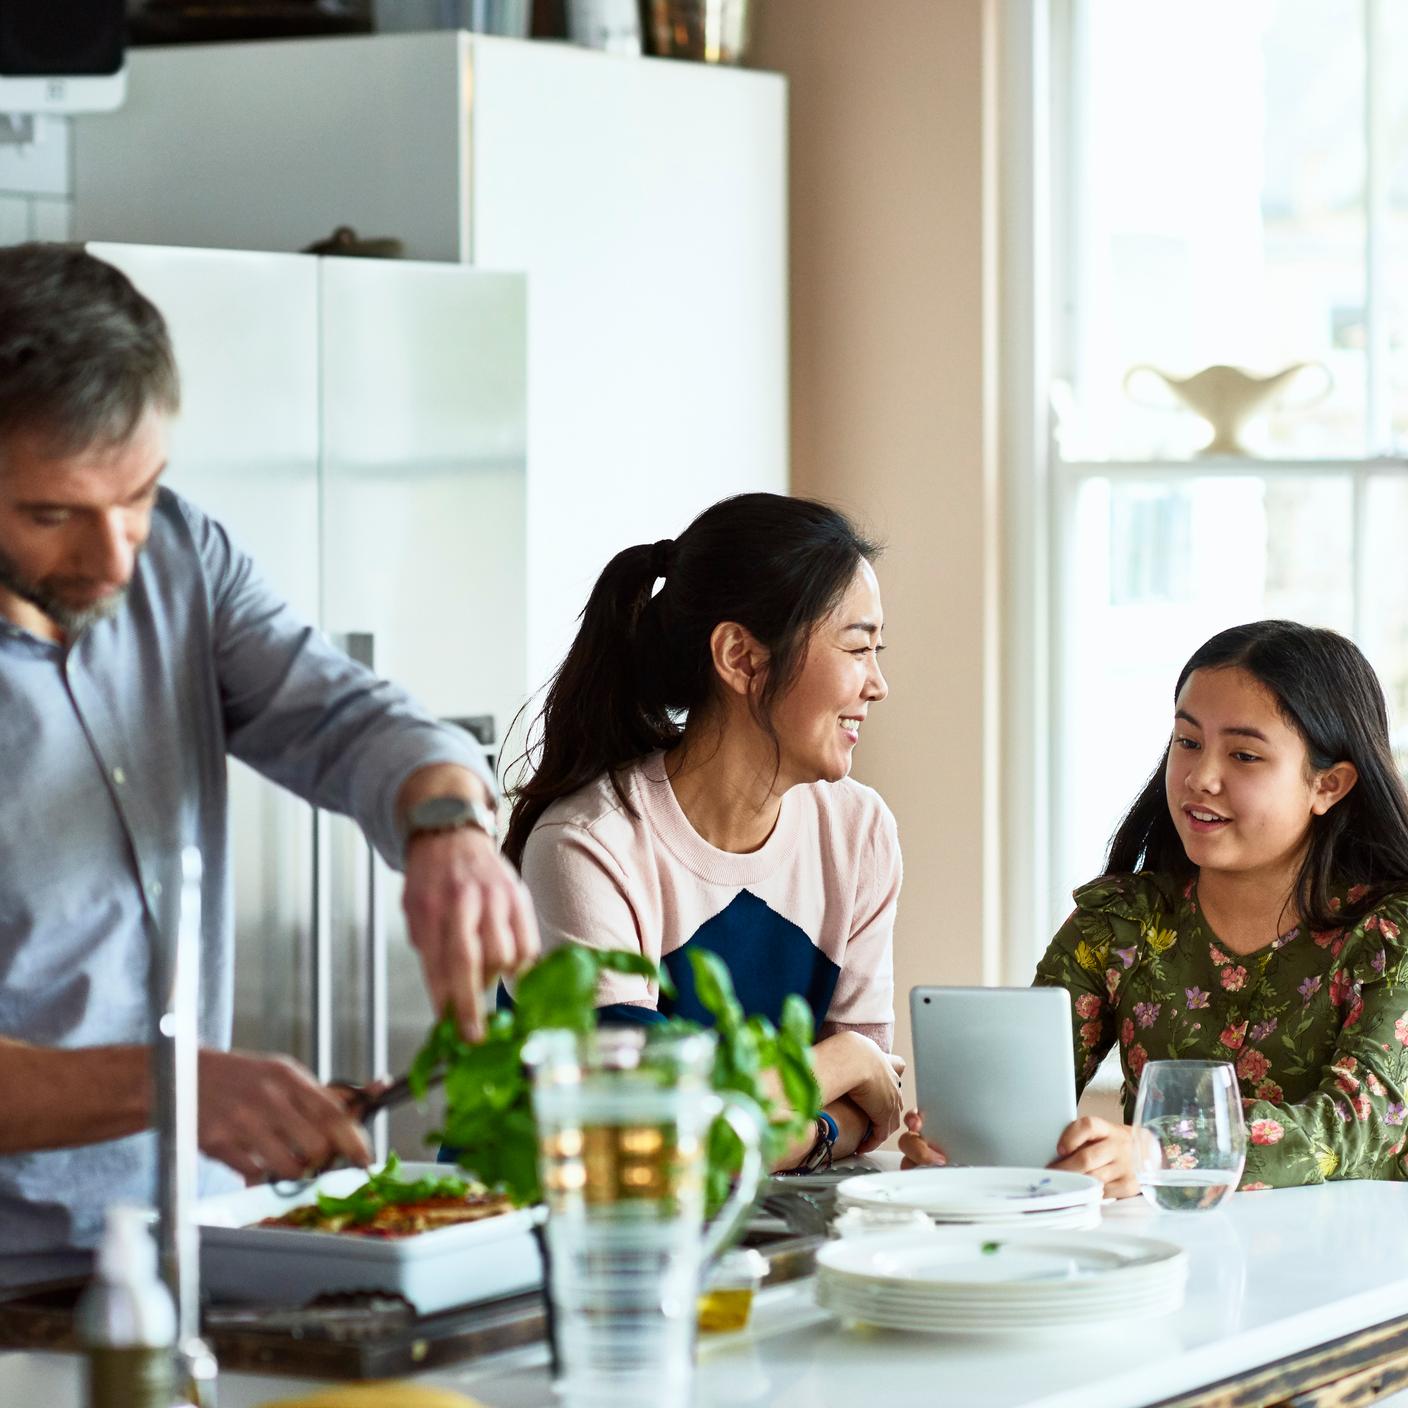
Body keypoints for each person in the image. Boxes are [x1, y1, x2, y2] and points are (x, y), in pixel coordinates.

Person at [0, 243, 539, 1281]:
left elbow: (343, 715)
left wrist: (447, 827)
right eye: (53, 514)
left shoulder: (180, 559)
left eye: (141, 495)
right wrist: (172, 1085)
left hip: (203, 1249)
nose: (116, 559)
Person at [901, 620, 1408, 1192]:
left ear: (1329, 785)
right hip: (1161, 1252)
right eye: (1187, 742)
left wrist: (1160, 1153)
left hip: (1354, 1267)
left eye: (1243, 755)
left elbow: (1360, 1126)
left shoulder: (1389, 934)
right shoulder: (1120, 922)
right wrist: (964, 1146)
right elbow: (1025, 1094)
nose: (1200, 777)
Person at [504, 493, 905, 1168]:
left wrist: (833, 1097)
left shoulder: (858, 831)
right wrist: (842, 1061)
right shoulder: (589, 846)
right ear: (741, 658)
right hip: (568, 1243)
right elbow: (650, 1137)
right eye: (858, 647)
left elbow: (872, 1108)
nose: (878, 684)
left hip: (751, 1231)